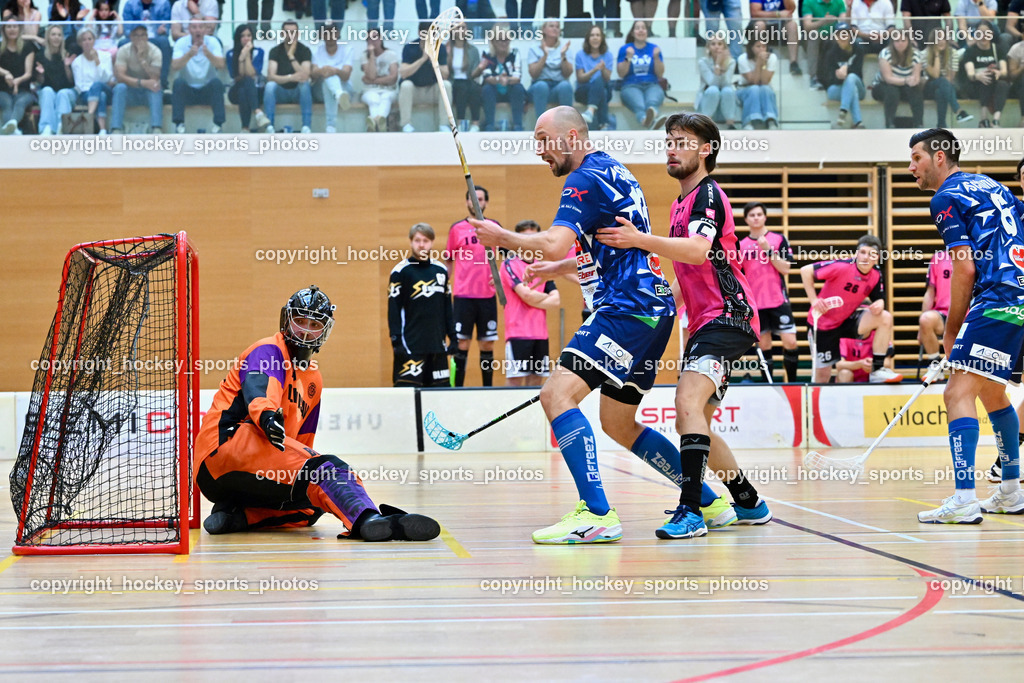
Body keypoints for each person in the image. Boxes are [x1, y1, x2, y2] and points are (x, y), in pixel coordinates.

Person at [472, 106, 681, 544]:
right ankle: (705, 500)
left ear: (571, 136)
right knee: (619, 423)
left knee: (556, 394)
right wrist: (558, 267)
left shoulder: (582, 178)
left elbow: (553, 240)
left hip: (626, 308)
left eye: (543, 139)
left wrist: (502, 237)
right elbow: (608, 245)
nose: (539, 151)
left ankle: (597, 513)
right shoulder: (614, 170)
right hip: (653, 309)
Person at [595, 112, 773, 539]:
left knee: (686, 401)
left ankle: (690, 511)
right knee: (695, 420)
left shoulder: (707, 194)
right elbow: (687, 273)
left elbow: (695, 251)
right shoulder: (680, 202)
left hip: (728, 316)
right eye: (669, 142)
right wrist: (655, 313)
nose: (671, 149)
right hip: (706, 322)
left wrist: (640, 240)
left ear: (706, 149)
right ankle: (749, 502)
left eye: (682, 142)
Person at [195, 286, 440, 541]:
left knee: (314, 504)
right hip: (224, 448)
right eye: (300, 321)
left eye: (315, 325)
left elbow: (301, 444)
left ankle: (237, 516)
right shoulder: (269, 350)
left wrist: (308, 473)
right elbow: (260, 390)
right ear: (286, 320)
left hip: (235, 477)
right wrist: (267, 416)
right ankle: (368, 520)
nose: (305, 330)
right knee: (329, 471)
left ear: (325, 330)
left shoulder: (314, 380)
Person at [908, 128, 1024, 521]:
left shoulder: (944, 198)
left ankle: (963, 499)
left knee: (956, 393)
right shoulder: (991, 185)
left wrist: (951, 329)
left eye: (917, 158)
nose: (911, 168)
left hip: (997, 298)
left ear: (939, 156)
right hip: (1020, 297)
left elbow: (965, 267)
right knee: (992, 392)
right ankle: (1010, 492)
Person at [800, 234, 904, 384]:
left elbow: (879, 297)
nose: (866, 257)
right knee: (823, 375)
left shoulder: (876, 273)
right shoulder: (841, 266)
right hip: (822, 324)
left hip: (846, 320)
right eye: (862, 252)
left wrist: (880, 303)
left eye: (871, 254)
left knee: (885, 317)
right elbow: (805, 271)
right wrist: (814, 300)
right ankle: (815, 398)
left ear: (877, 257)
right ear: (856, 253)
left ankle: (878, 369)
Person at [389, 224, 457, 388]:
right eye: (417, 240)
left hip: (438, 348)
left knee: (440, 397)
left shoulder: (441, 271)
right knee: (407, 396)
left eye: (425, 241)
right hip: (410, 348)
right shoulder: (400, 272)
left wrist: (453, 337)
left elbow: (447, 308)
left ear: (432, 242)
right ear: (411, 242)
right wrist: (396, 341)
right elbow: (394, 310)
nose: (421, 245)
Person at [445, 186, 500, 387]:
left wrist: (501, 276)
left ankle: (488, 390)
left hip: (487, 296)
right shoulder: (456, 229)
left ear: (486, 202)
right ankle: (457, 390)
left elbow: (508, 255)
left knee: (487, 344)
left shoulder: (495, 227)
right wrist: (444, 286)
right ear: (467, 202)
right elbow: (449, 259)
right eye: (473, 198)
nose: (477, 202)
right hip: (463, 296)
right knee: (461, 344)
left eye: (481, 198)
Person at [738, 202, 799, 382]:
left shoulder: (778, 239)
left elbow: (786, 268)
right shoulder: (741, 245)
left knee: (791, 342)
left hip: (778, 300)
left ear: (765, 217)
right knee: (764, 345)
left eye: (759, 214)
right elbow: (738, 276)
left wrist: (768, 251)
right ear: (746, 219)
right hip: (756, 303)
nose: (756, 218)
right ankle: (767, 385)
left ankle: (793, 383)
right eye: (752, 215)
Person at [500, 220, 561, 387]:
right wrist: (541, 297)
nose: (530, 242)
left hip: (541, 334)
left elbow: (556, 300)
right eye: (526, 238)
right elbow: (525, 294)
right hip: (518, 333)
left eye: (534, 237)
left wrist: (532, 298)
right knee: (514, 382)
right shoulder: (509, 264)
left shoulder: (541, 266)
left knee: (536, 383)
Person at [170, 20, 225, 134]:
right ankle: (179, 125)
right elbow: (175, 66)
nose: (198, 30)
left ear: (205, 29)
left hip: (207, 91)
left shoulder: (213, 41)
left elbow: (220, 65)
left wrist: (208, 54)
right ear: (189, 29)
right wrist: (189, 54)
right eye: (194, 27)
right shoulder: (181, 42)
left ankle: (218, 125)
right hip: (188, 91)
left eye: (201, 27)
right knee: (178, 83)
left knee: (217, 83)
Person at [398, 22, 451, 133]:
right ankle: (406, 124)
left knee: (446, 85)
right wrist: (422, 59)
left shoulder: (440, 48)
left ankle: (444, 125)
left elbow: (445, 74)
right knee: (405, 85)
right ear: (419, 33)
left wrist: (433, 61)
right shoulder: (409, 47)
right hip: (414, 92)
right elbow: (403, 73)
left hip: (431, 91)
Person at [111, 24, 164, 134]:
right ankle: (116, 128)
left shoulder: (155, 51)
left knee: (156, 88)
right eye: (136, 35)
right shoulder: (123, 50)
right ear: (131, 37)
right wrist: (142, 83)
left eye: (143, 35)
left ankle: (156, 128)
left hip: (147, 92)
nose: (140, 39)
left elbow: (155, 78)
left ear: (147, 37)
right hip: (129, 91)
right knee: (119, 88)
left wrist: (142, 60)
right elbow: (120, 77)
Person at [265, 20, 313, 134]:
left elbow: (305, 76)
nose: (290, 35)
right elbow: (271, 77)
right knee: (270, 86)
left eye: (293, 32)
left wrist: (291, 56)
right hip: (281, 92)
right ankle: (269, 126)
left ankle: (306, 127)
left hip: (298, 93)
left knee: (304, 85)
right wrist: (290, 77)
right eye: (287, 32)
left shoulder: (305, 50)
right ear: (282, 34)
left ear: (298, 34)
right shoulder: (275, 51)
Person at [959, 20, 1009, 128]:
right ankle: (983, 118)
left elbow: (1004, 71)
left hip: (994, 83)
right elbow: (970, 74)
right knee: (986, 78)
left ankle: (995, 120)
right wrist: (978, 76)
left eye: (986, 32)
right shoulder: (970, 51)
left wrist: (999, 72)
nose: (983, 36)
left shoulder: (998, 49)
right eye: (980, 33)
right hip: (975, 85)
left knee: (1003, 84)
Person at [871, 30, 924, 129]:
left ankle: (919, 124)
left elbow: (916, 77)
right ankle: (889, 124)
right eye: (897, 41)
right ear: (892, 42)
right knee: (892, 91)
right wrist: (906, 81)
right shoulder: (885, 53)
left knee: (916, 89)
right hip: (883, 85)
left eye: (903, 40)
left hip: (905, 85)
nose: (900, 43)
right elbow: (888, 78)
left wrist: (913, 81)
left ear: (908, 42)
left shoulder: (916, 54)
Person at [617, 20, 664, 129]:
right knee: (640, 105)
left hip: (652, 85)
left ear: (647, 32)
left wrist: (656, 58)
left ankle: (649, 120)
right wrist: (628, 57)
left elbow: (660, 74)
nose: (641, 30)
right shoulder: (625, 49)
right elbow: (621, 74)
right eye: (637, 28)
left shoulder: (654, 49)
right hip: (630, 86)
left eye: (643, 28)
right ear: (632, 33)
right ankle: (650, 121)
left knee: (652, 103)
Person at [819, 23, 866, 129]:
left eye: (845, 34)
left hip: (859, 87)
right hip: (837, 88)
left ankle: (843, 112)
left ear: (850, 36)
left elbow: (858, 72)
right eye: (839, 35)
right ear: (835, 37)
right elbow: (827, 77)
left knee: (851, 78)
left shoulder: (858, 49)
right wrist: (838, 77)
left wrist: (847, 70)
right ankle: (858, 122)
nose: (842, 37)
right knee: (852, 89)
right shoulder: (830, 53)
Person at [226, 23, 271, 134]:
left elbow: (252, 74)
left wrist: (246, 56)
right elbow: (238, 76)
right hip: (235, 90)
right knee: (244, 83)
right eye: (243, 36)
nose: (246, 38)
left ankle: (245, 128)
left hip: (255, 91)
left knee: (244, 89)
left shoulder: (259, 52)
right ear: (238, 38)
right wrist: (241, 57)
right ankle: (258, 113)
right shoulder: (230, 54)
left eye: (249, 35)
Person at [924, 25, 971, 128]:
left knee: (940, 91)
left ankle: (941, 125)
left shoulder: (952, 53)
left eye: (943, 38)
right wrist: (936, 54)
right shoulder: (925, 54)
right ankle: (958, 111)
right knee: (941, 81)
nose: (941, 41)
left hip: (945, 87)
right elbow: (935, 75)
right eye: (938, 39)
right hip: (928, 87)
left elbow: (950, 78)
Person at [480, 26, 525, 131]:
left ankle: (518, 125)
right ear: (493, 41)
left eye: (507, 40)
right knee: (487, 89)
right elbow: (487, 77)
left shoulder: (514, 52)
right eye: (500, 40)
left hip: (510, 89)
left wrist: (507, 80)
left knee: (518, 88)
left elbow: (517, 76)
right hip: (493, 90)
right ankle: (489, 125)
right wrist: (499, 80)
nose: (504, 43)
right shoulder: (487, 53)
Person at [34, 24, 77, 135]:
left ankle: (62, 127)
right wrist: (41, 74)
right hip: (49, 91)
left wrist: (67, 67)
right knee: (47, 91)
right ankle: (46, 128)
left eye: (59, 35)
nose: (56, 37)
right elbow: (40, 82)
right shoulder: (40, 55)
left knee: (62, 94)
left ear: (62, 38)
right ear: (48, 37)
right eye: (53, 34)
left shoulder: (67, 54)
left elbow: (71, 82)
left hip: (67, 91)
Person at [526, 20, 573, 119]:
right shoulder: (534, 48)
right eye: (551, 26)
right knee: (541, 86)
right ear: (544, 29)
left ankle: (566, 125)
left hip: (558, 86)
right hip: (538, 87)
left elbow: (567, 74)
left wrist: (563, 56)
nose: (555, 28)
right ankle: (541, 125)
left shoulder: (565, 48)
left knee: (566, 86)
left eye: (557, 26)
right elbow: (533, 74)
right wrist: (545, 56)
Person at [72, 27, 114, 135]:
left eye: (90, 39)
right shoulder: (76, 62)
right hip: (86, 93)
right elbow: (79, 86)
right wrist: (94, 91)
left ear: (94, 40)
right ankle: (102, 130)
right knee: (101, 96)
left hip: (105, 88)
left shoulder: (106, 56)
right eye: (84, 40)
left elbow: (107, 78)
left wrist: (97, 61)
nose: (87, 42)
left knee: (98, 86)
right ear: (80, 43)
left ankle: (89, 116)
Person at [121, 0, 172, 89]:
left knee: (164, 42)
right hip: (136, 37)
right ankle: (126, 82)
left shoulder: (164, 3)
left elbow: (166, 28)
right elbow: (127, 29)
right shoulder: (130, 4)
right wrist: (137, 36)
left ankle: (162, 83)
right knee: (122, 43)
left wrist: (164, 30)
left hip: (156, 37)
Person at [312, 23, 353, 134]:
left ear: (338, 33)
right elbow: (313, 74)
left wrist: (335, 71)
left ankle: (331, 126)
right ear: (322, 34)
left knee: (331, 77)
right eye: (326, 32)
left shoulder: (347, 50)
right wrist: (323, 70)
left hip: (345, 90)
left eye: (333, 32)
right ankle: (338, 94)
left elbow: (346, 76)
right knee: (327, 80)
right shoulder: (316, 51)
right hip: (320, 92)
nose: (330, 35)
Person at [737, 26, 779, 129]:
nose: (761, 49)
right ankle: (749, 121)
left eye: (764, 46)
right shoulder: (742, 59)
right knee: (754, 89)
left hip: (764, 88)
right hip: (745, 88)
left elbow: (764, 81)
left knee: (765, 88)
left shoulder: (772, 58)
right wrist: (759, 63)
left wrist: (763, 64)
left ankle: (770, 119)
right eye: (758, 46)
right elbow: (753, 81)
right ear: (751, 47)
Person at [359, 27, 398, 132]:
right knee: (374, 99)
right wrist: (371, 55)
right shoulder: (364, 56)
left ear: (381, 38)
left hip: (389, 90)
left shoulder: (391, 54)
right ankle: (380, 122)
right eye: (370, 39)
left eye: (375, 37)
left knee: (386, 97)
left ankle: (374, 122)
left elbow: (393, 78)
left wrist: (372, 81)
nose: (373, 41)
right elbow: (372, 75)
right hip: (369, 90)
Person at [574, 24, 613, 130]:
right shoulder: (580, 54)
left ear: (602, 38)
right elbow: (580, 78)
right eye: (592, 35)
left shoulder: (608, 55)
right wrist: (595, 70)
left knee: (600, 82)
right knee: (602, 92)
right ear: (588, 39)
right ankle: (604, 125)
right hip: (584, 91)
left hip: (602, 88)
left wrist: (603, 69)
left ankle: (590, 111)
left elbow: (607, 78)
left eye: (598, 35)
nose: (595, 38)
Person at [0, 20, 36, 135]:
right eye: (9, 27)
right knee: (7, 103)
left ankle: (12, 126)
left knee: (20, 102)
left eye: (15, 26)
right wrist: (6, 73)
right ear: (4, 30)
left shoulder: (27, 47)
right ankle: (12, 131)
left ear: (19, 29)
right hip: (2, 90)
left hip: (24, 90)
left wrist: (17, 81)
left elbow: (28, 73)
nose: (12, 29)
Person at [918, 249, 952, 367]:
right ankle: (935, 365)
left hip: (968, 316)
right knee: (926, 319)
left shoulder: (977, 256)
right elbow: (930, 293)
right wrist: (921, 329)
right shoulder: (938, 258)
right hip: (944, 314)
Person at [446, 22, 482, 132]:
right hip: (452, 82)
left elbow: (474, 74)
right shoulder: (446, 49)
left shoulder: (473, 50)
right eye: (457, 28)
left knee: (475, 88)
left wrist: (480, 68)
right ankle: (460, 123)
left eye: (463, 27)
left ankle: (475, 124)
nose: (461, 30)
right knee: (462, 87)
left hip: (469, 81)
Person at [696, 35, 737, 129]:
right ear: (708, 47)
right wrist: (718, 65)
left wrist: (723, 66)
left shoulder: (731, 62)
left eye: (719, 44)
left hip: (724, 93)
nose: (716, 47)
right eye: (713, 44)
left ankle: (730, 123)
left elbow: (726, 82)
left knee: (728, 90)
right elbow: (712, 83)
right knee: (713, 90)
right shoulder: (703, 62)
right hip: (708, 94)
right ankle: (706, 123)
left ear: (724, 47)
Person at [802, 0, 846, 88]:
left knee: (843, 36)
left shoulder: (839, 2)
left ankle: (840, 75)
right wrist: (823, 21)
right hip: (814, 36)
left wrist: (849, 9)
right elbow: (807, 26)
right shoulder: (808, 2)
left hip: (832, 36)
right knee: (813, 34)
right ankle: (813, 77)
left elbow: (844, 23)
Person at [749, 0, 801, 75]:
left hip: (779, 28)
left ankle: (793, 63)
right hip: (761, 26)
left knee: (792, 25)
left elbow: (790, 10)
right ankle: (759, 61)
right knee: (759, 24)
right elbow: (755, 13)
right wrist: (777, 14)